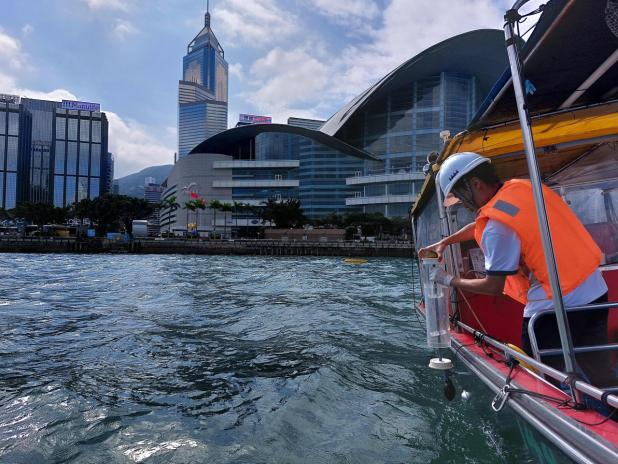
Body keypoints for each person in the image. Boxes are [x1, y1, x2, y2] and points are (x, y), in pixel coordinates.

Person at [419, 152, 612, 386]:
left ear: (476, 184)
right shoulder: (520, 189)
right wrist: (445, 242)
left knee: (545, 381)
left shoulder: (496, 228)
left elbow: (493, 286)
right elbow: (482, 224)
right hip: (595, 290)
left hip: (553, 307)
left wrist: (448, 279)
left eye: (460, 195)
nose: (462, 202)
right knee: (600, 371)